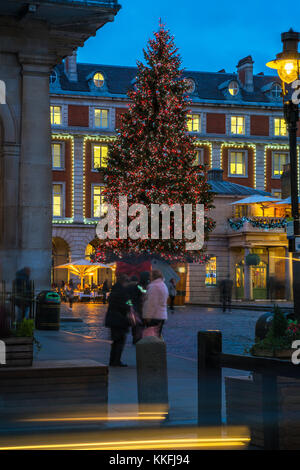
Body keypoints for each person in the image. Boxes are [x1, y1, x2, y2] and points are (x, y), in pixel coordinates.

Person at [105, 274, 130, 367]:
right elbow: (125, 305)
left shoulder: (115, 290)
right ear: (124, 282)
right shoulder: (122, 292)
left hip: (113, 319)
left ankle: (113, 360)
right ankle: (116, 361)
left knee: (116, 341)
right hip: (119, 319)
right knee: (119, 341)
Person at [142, 270, 168, 337]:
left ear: (153, 276)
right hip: (161, 314)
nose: (149, 277)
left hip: (154, 316)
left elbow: (151, 304)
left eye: (150, 275)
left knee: (151, 338)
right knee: (156, 336)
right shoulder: (163, 285)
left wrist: (148, 316)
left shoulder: (154, 286)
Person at [127, 272, 150, 344]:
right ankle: (138, 339)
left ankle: (136, 338)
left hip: (135, 307)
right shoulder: (139, 286)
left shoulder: (131, 286)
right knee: (140, 324)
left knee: (136, 324)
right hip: (139, 307)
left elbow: (128, 298)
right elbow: (144, 292)